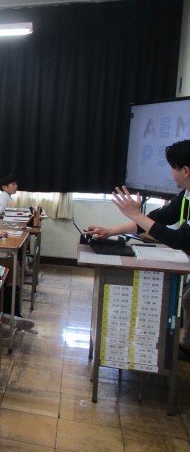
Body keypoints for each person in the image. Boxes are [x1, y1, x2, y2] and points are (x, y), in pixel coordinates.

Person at [86, 139, 190, 361]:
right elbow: (157, 218)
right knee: (189, 300)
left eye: (172, 168)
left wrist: (136, 214)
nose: (171, 173)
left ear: (185, 170)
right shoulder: (186, 194)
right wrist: (111, 231)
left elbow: (179, 239)